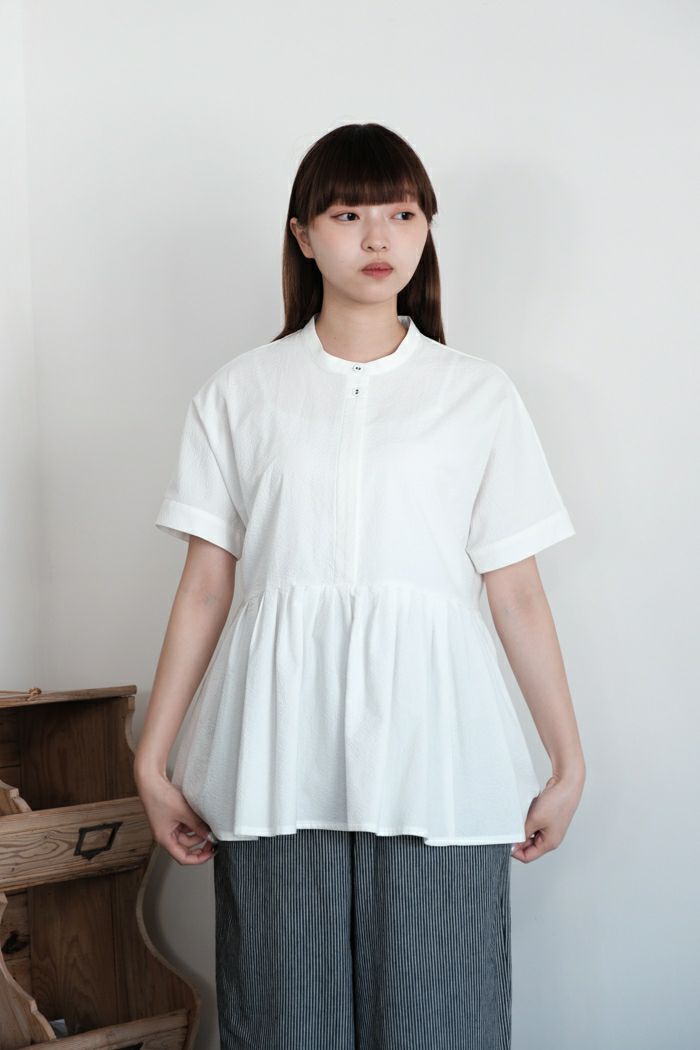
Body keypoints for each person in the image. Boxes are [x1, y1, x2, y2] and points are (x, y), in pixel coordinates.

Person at [134, 122, 586, 1050]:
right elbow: (206, 589)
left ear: (426, 230)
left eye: (402, 214)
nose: (378, 237)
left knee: (442, 1021)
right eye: (348, 215)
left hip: (440, 753)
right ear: (303, 234)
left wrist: (566, 762)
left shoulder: (477, 395)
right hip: (274, 752)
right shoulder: (241, 393)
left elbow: (517, 593)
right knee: (284, 1022)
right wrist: (154, 758)